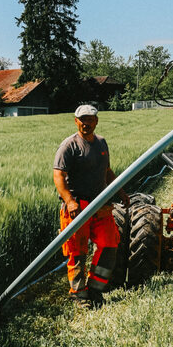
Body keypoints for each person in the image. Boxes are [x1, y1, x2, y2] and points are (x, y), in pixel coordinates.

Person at [53, 104, 130, 308]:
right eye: (82, 119)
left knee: (110, 244)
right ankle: (79, 294)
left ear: (96, 121)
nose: (86, 123)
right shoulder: (69, 146)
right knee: (76, 252)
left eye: (90, 119)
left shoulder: (101, 143)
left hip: (101, 205)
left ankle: (95, 289)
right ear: (75, 121)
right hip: (78, 206)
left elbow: (107, 171)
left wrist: (120, 191)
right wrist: (69, 201)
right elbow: (58, 175)